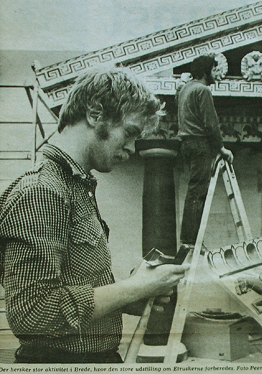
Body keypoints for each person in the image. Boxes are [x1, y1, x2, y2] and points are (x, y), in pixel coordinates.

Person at [0, 67, 189, 363]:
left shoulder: (75, 187)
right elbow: (33, 313)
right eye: (128, 133)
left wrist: (131, 297)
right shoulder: (42, 191)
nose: (130, 147)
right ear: (95, 113)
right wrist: (133, 287)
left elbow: (75, 292)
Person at [176, 55, 234, 248]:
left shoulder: (186, 88)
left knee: (194, 190)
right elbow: (211, 124)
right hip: (200, 143)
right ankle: (191, 241)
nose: (216, 73)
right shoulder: (203, 91)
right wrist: (221, 148)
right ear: (205, 71)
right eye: (213, 69)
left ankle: (189, 239)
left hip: (187, 143)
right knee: (198, 192)